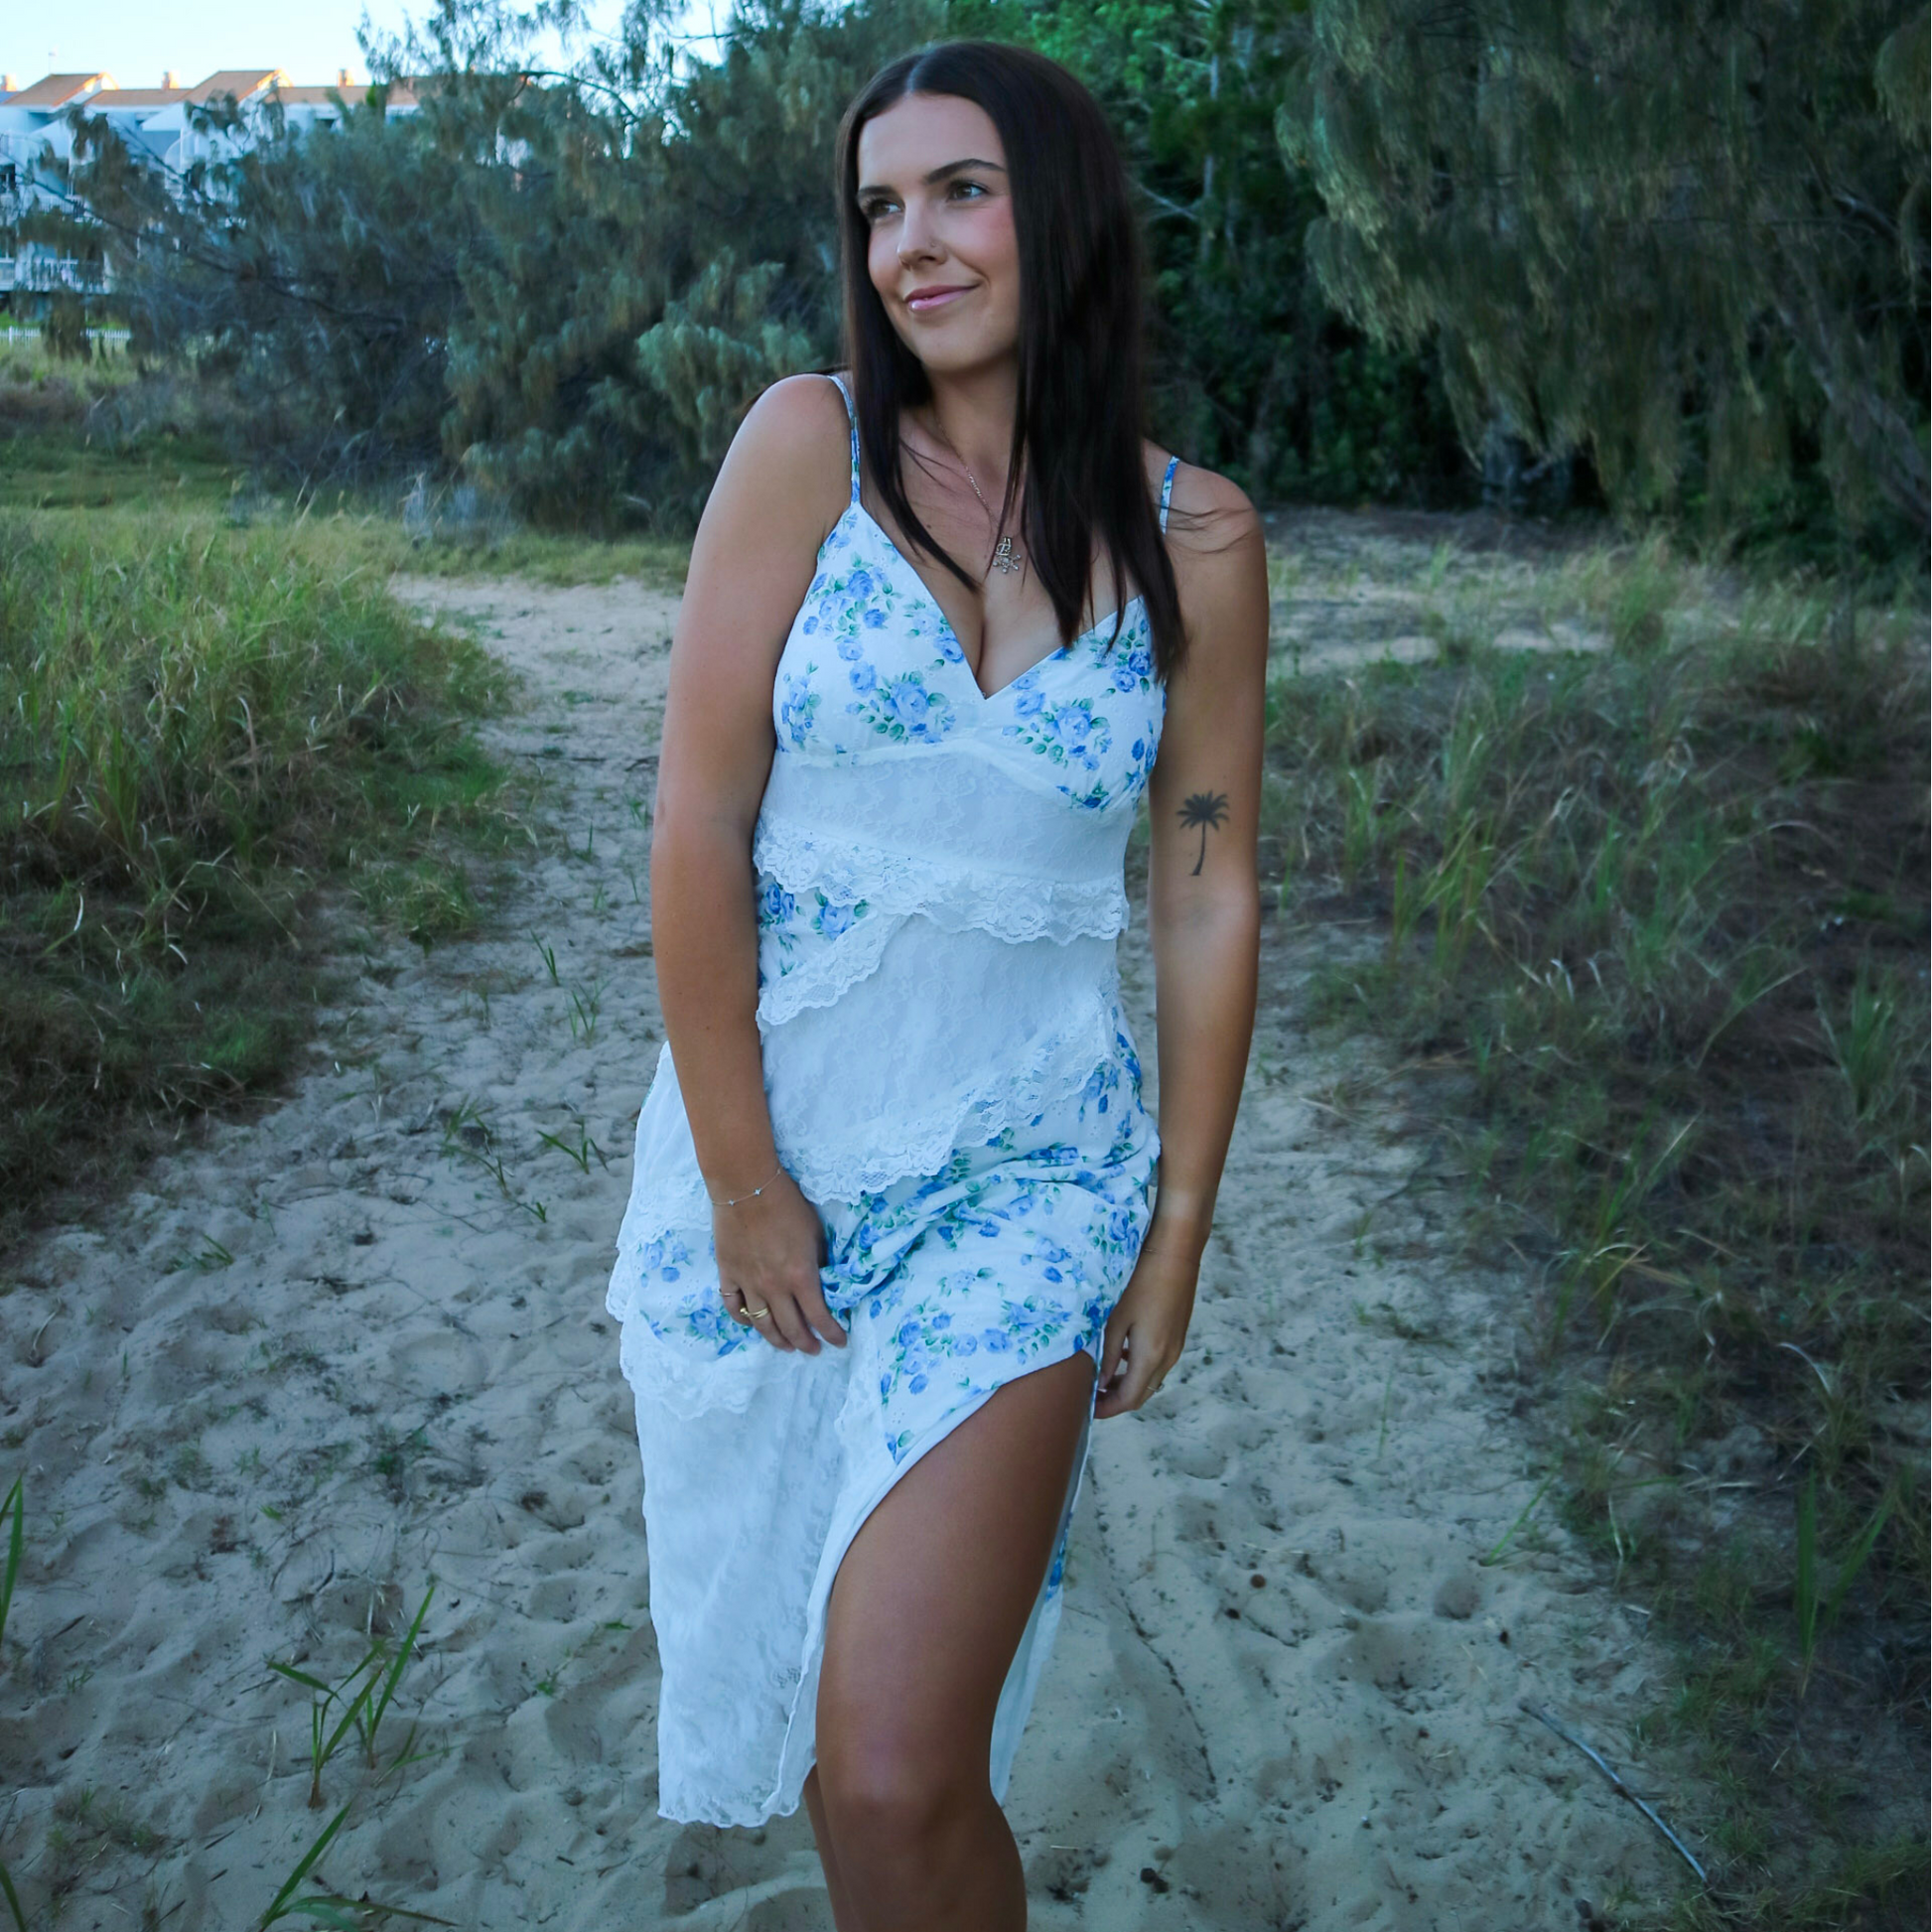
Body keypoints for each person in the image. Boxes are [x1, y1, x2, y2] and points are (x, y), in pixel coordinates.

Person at [605, 39, 1265, 1932]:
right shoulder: (801, 442)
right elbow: (696, 811)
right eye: (879, 207)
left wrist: (1178, 1229)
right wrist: (742, 1174)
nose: (911, 243)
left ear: (1057, 215)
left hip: (1026, 1172)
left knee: (892, 1768)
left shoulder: (1199, 538)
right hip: (779, 1161)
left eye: (958, 191)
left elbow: (1206, 889)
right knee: (834, 1769)